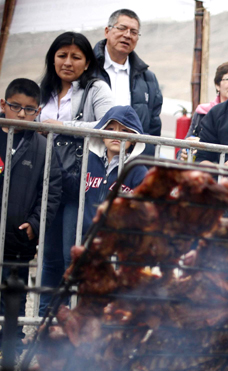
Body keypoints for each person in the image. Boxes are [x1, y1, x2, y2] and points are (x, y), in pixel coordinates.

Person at [38, 32, 114, 316]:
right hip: (46, 182)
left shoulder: (96, 89)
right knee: (48, 257)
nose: (67, 62)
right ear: (52, 58)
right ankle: (44, 318)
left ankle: (70, 322)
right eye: (61, 55)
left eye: (75, 57)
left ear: (87, 62)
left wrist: (61, 126)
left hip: (78, 184)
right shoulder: (43, 89)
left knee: (72, 254)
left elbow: (111, 123)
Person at [0, 78, 62, 350]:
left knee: (13, 294)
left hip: (17, 240)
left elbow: (52, 189)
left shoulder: (42, 147)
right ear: (3, 104)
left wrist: (36, 223)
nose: (22, 115)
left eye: (30, 109)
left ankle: (10, 344)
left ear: (39, 112)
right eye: (15, 107)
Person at [94, 9, 162, 155]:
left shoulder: (148, 79)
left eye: (133, 32)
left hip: (131, 161)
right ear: (107, 31)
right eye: (122, 28)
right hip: (91, 154)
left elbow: (153, 128)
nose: (127, 35)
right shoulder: (87, 69)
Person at [83, 106, 148, 237]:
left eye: (124, 130)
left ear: (134, 139)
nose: (116, 134)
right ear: (102, 134)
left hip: (117, 242)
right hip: (87, 236)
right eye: (110, 129)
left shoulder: (138, 171)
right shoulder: (90, 160)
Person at [185, 62, 228, 140]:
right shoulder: (202, 112)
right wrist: (183, 151)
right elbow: (186, 143)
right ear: (217, 85)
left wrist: (202, 144)